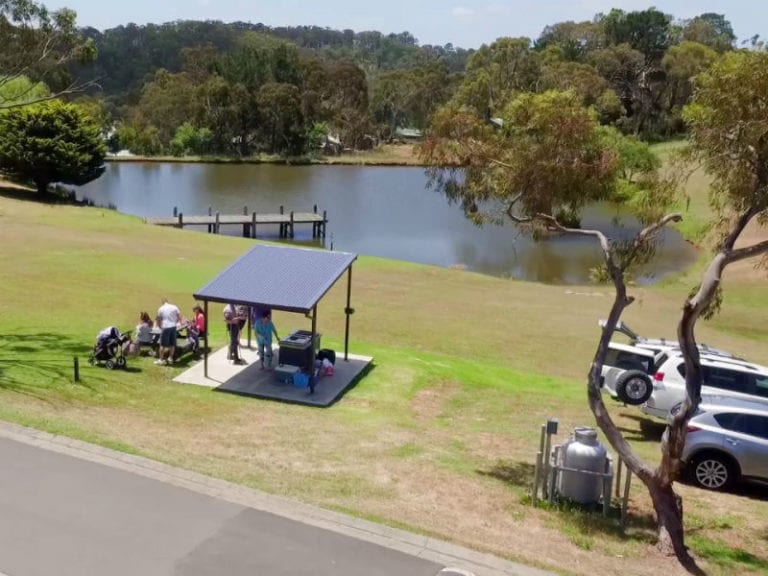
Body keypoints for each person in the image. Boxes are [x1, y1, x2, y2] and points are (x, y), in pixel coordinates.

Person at [155, 298, 180, 365]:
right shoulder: (175, 307)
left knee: (162, 344)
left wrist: (160, 326)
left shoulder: (161, 308)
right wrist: (175, 322)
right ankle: (170, 358)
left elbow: (158, 319)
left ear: (163, 303)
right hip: (173, 327)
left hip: (165, 327)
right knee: (172, 344)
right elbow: (178, 317)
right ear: (168, 302)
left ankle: (161, 360)